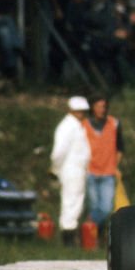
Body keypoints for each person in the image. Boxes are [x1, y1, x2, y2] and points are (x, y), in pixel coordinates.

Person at [50, 96, 92, 246]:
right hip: (70, 169)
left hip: (78, 170)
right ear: (71, 110)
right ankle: (67, 239)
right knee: (71, 202)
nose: (81, 113)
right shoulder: (67, 127)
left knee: (76, 203)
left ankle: (70, 236)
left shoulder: (77, 126)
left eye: (83, 111)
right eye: (78, 111)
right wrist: (55, 169)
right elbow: (59, 152)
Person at [83, 94, 123, 232]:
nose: (102, 109)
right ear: (92, 107)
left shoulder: (114, 123)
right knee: (93, 206)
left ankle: (86, 227)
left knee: (106, 209)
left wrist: (115, 165)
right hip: (90, 172)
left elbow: (120, 148)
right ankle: (92, 237)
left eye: (104, 106)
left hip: (108, 173)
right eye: (98, 106)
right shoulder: (84, 125)